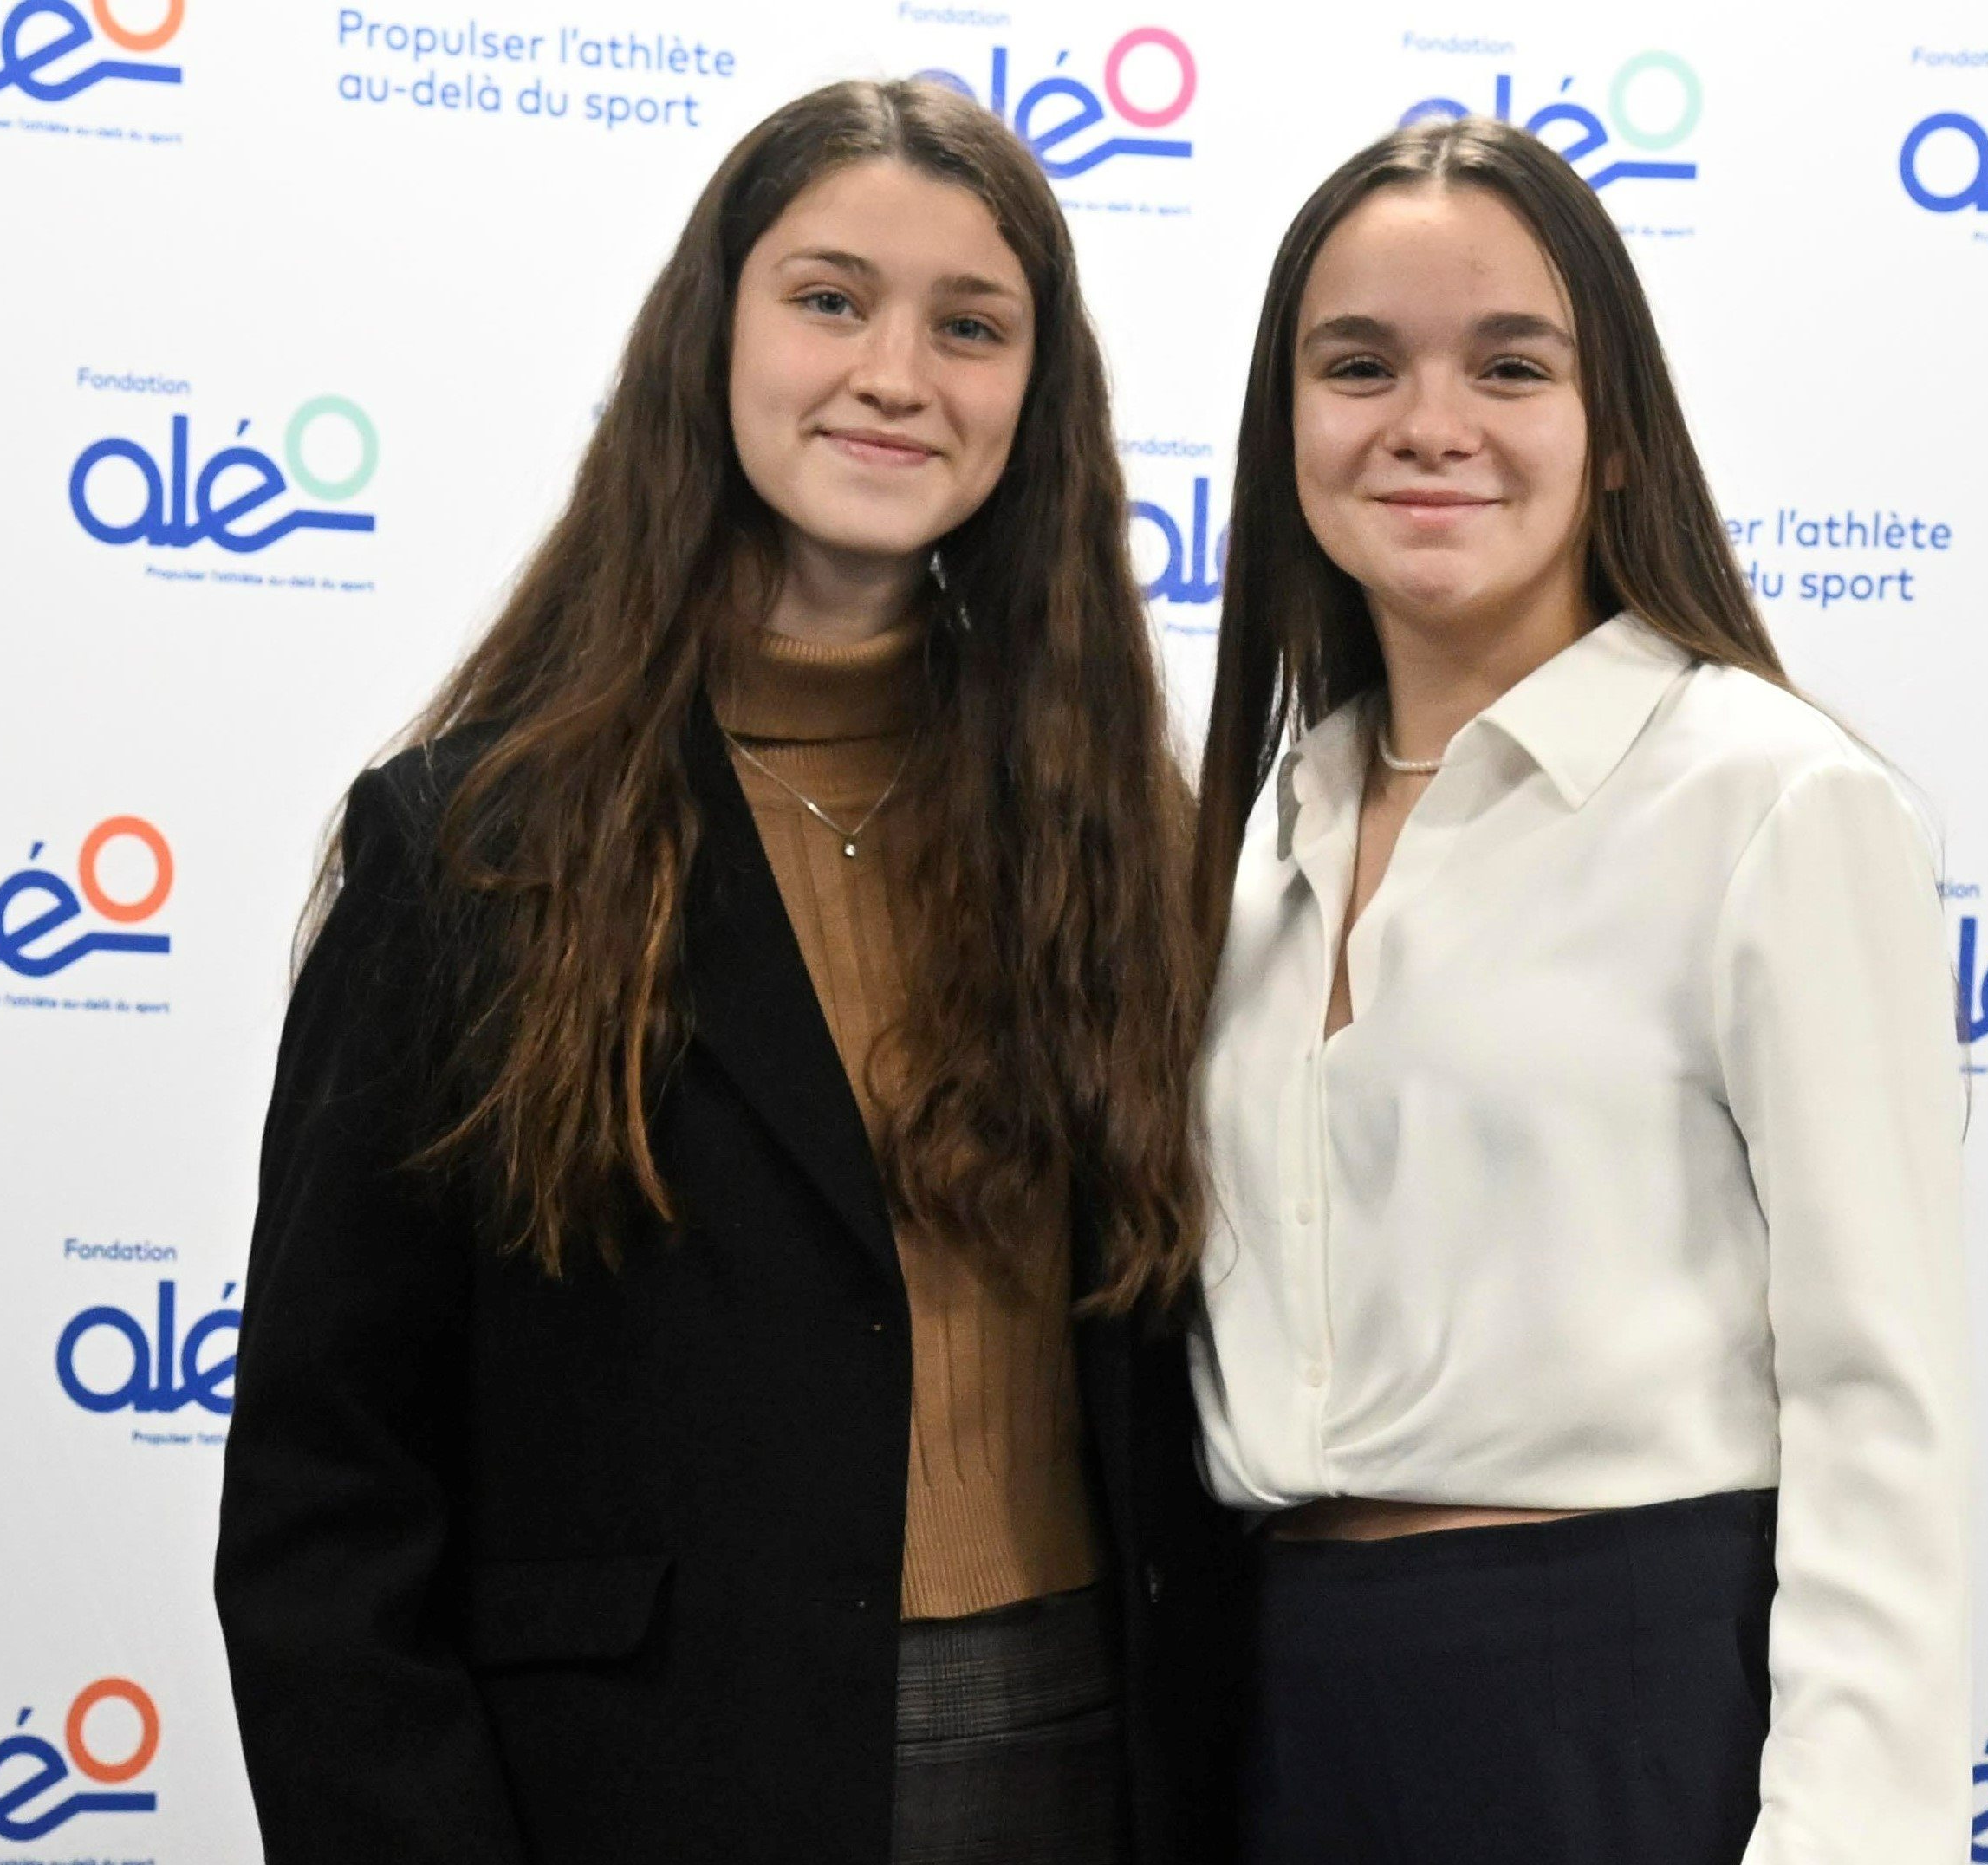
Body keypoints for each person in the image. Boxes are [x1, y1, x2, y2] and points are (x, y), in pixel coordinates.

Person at [215, 78, 1241, 1865]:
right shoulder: (471, 846)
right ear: (713, 336)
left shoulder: (1119, 827)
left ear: (1035, 394)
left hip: (1092, 1752)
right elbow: (327, 1495)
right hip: (650, 1780)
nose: (895, 373)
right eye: (829, 298)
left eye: (969, 324)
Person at [1186, 117, 1969, 1865]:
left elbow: (1877, 1393)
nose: (1428, 421)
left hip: (1618, 1706)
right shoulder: (1259, 827)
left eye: (1508, 365)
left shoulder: (1766, 800)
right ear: (1285, 424)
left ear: (1610, 430)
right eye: (1358, 363)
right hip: (1281, 1702)